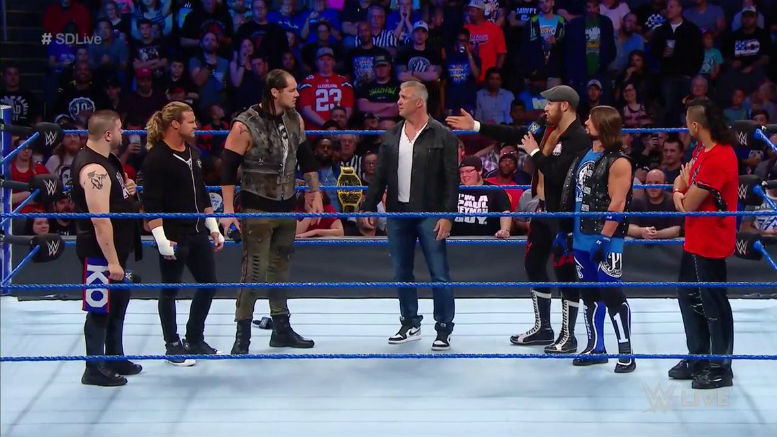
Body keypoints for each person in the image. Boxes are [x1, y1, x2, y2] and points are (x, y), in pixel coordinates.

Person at [447, 85, 589, 353]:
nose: (545, 108)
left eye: (550, 103)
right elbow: (514, 134)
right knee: (533, 263)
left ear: (565, 106)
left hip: (565, 214)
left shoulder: (579, 138)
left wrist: (534, 153)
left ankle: (568, 335)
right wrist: (476, 126)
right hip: (543, 209)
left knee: (565, 272)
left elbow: (558, 174)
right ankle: (543, 327)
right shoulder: (544, 126)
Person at [220, 69, 324, 355]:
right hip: (257, 208)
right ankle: (242, 335)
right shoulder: (245, 124)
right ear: (275, 92)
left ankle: (281, 329)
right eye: (291, 90)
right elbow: (227, 168)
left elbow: (307, 158)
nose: (297, 94)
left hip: (286, 207)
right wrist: (227, 210)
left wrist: (315, 193)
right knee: (253, 272)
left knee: (280, 269)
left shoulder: (295, 119)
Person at [361, 80, 459, 350]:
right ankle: (410, 323)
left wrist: (448, 216)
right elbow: (380, 175)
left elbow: (452, 180)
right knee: (401, 271)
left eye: (404, 97)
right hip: (398, 213)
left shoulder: (443, 136)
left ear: (419, 102)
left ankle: (444, 328)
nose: (398, 101)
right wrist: (368, 206)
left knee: (439, 272)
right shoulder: (392, 135)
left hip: (431, 212)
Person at [142, 101, 225, 366]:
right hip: (173, 234)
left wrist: (214, 227)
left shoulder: (193, 153)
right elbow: (151, 203)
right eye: (190, 121)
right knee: (170, 289)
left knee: (209, 283)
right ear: (175, 124)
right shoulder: (156, 159)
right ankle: (172, 345)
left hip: (197, 230)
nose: (196, 125)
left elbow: (201, 192)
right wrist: (161, 240)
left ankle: (195, 338)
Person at [560, 105, 635, 372]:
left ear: (602, 125)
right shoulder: (584, 155)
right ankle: (596, 347)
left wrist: (604, 238)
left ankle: (626, 352)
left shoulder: (619, 161)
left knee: (612, 293)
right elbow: (575, 195)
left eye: (590, 120)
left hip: (607, 238)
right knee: (590, 294)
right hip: (581, 235)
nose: (585, 123)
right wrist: (566, 229)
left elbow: (618, 203)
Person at [670, 97, 738, 389]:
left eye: (687, 121)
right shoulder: (701, 150)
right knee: (688, 296)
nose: (686, 126)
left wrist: (679, 192)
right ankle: (698, 357)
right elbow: (684, 184)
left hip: (711, 239)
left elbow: (688, 204)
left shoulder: (719, 157)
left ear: (695, 125)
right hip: (695, 237)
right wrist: (681, 189)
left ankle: (721, 367)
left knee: (713, 301)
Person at [72, 110, 140, 386]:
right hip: (98, 251)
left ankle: (114, 357)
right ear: (108, 134)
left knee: (118, 301)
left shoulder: (108, 160)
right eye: (121, 129)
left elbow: (115, 197)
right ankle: (93, 369)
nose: (124, 134)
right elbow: (100, 220)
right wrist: (112, 261)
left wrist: (128, 189)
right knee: (99, 307)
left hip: (116, 247)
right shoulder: (94, 169)